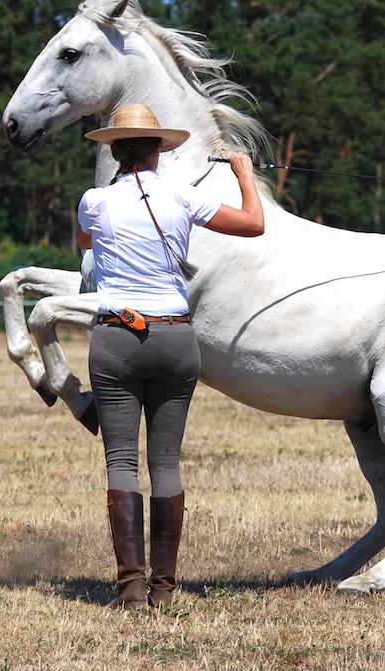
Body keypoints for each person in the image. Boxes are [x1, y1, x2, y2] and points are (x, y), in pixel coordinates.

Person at [76, 104, 264, 609]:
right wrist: (245, 174)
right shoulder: (183, 194)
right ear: (159, 149)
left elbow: (84, 246)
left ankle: (131, 587)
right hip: (176, 339)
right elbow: (252, 224)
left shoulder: (94, 201)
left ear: (115, 149)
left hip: (116, 338)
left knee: (120, 461)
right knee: (166, 462)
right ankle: (164, 590)